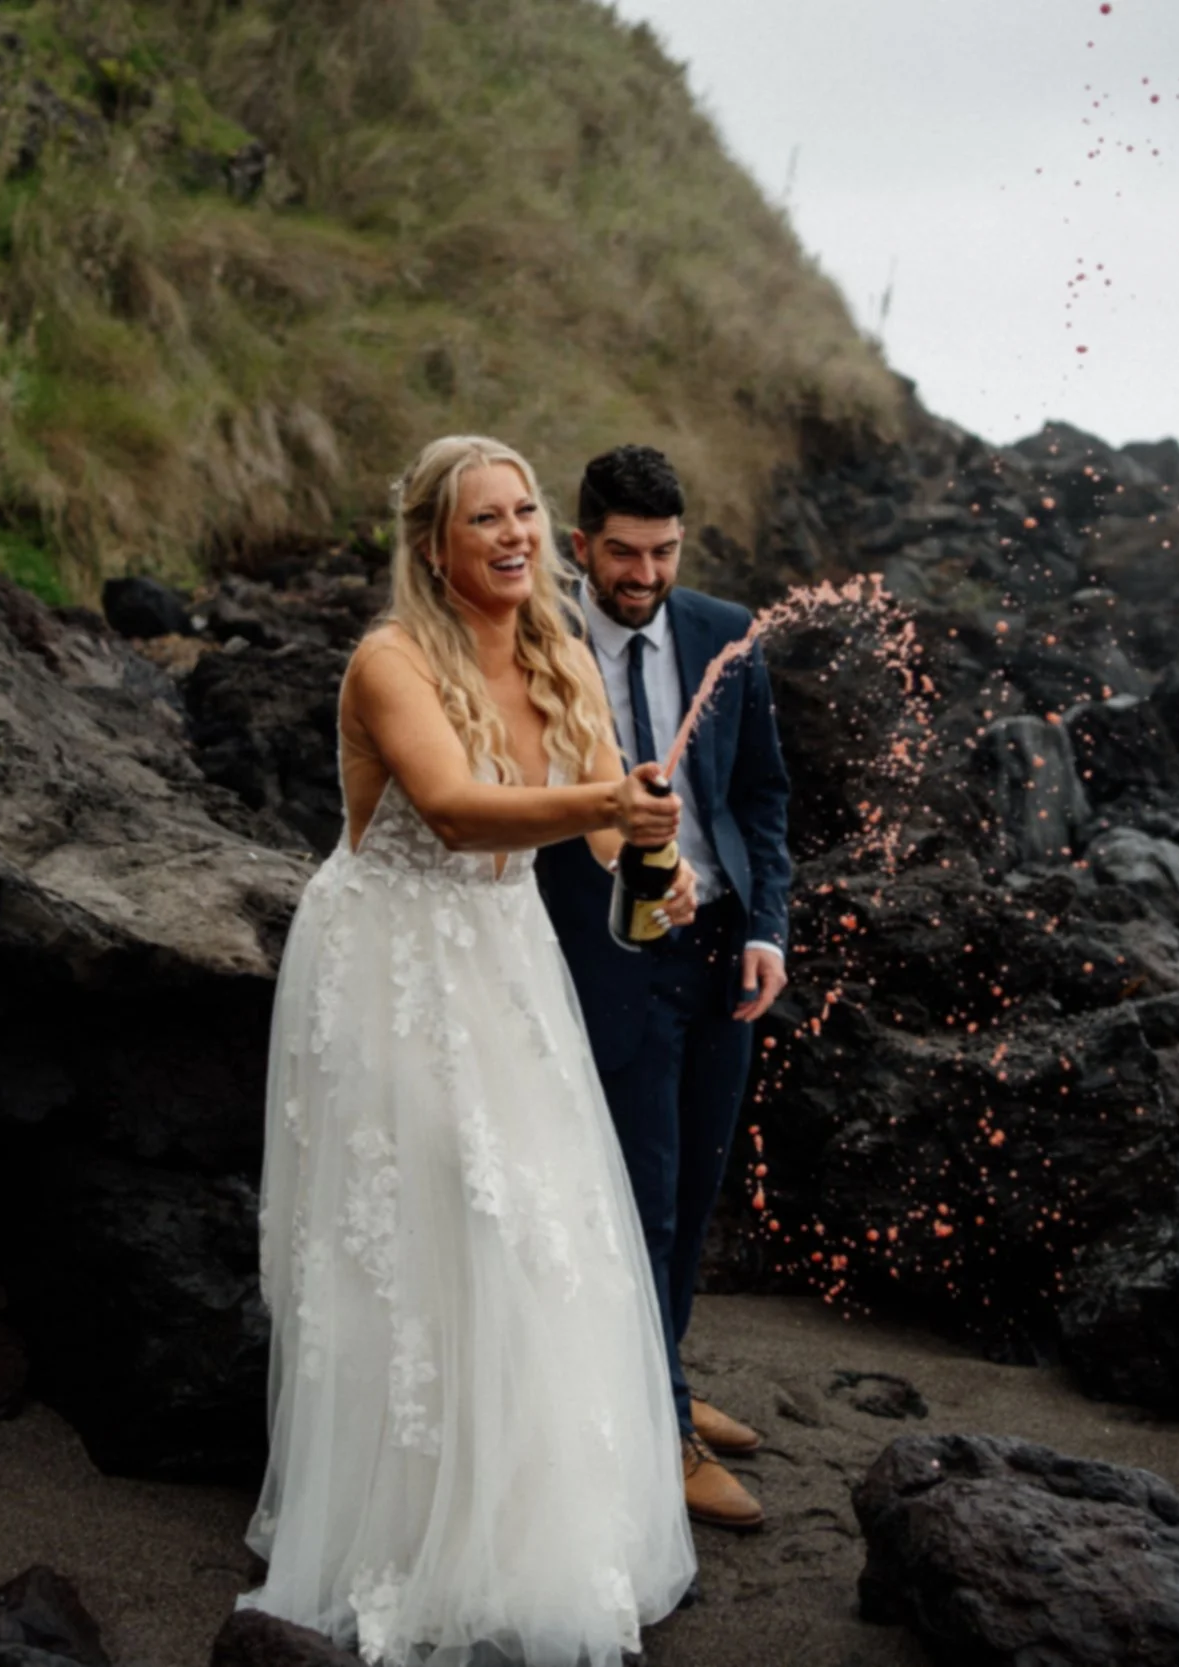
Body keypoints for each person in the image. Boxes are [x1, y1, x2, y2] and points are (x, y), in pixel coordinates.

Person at [240, 435, 699, 1666]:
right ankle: (388, 1520)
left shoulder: (558, 654)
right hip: (385, 954)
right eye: (483, 518)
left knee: (538, 1222)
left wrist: (660, 853)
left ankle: (512, 1519)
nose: (514, 535)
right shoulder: (388, 661)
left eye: (526, 512)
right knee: (417, 1226)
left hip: (501, 956)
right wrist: (603, 806)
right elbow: (448, 808)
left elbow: (605, 843)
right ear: (434, 546)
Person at [533, 444, 792, 1533]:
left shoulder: (722, 629)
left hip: (722, 945)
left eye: (664, 551)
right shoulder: (533, 642)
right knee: (639, 1189)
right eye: (624, 552)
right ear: (581, 544)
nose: (644, 574)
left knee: (696, 1189)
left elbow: (763, 794)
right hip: (609, 946)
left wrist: (770, 928)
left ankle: (663, 1375)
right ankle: (661, 1430)